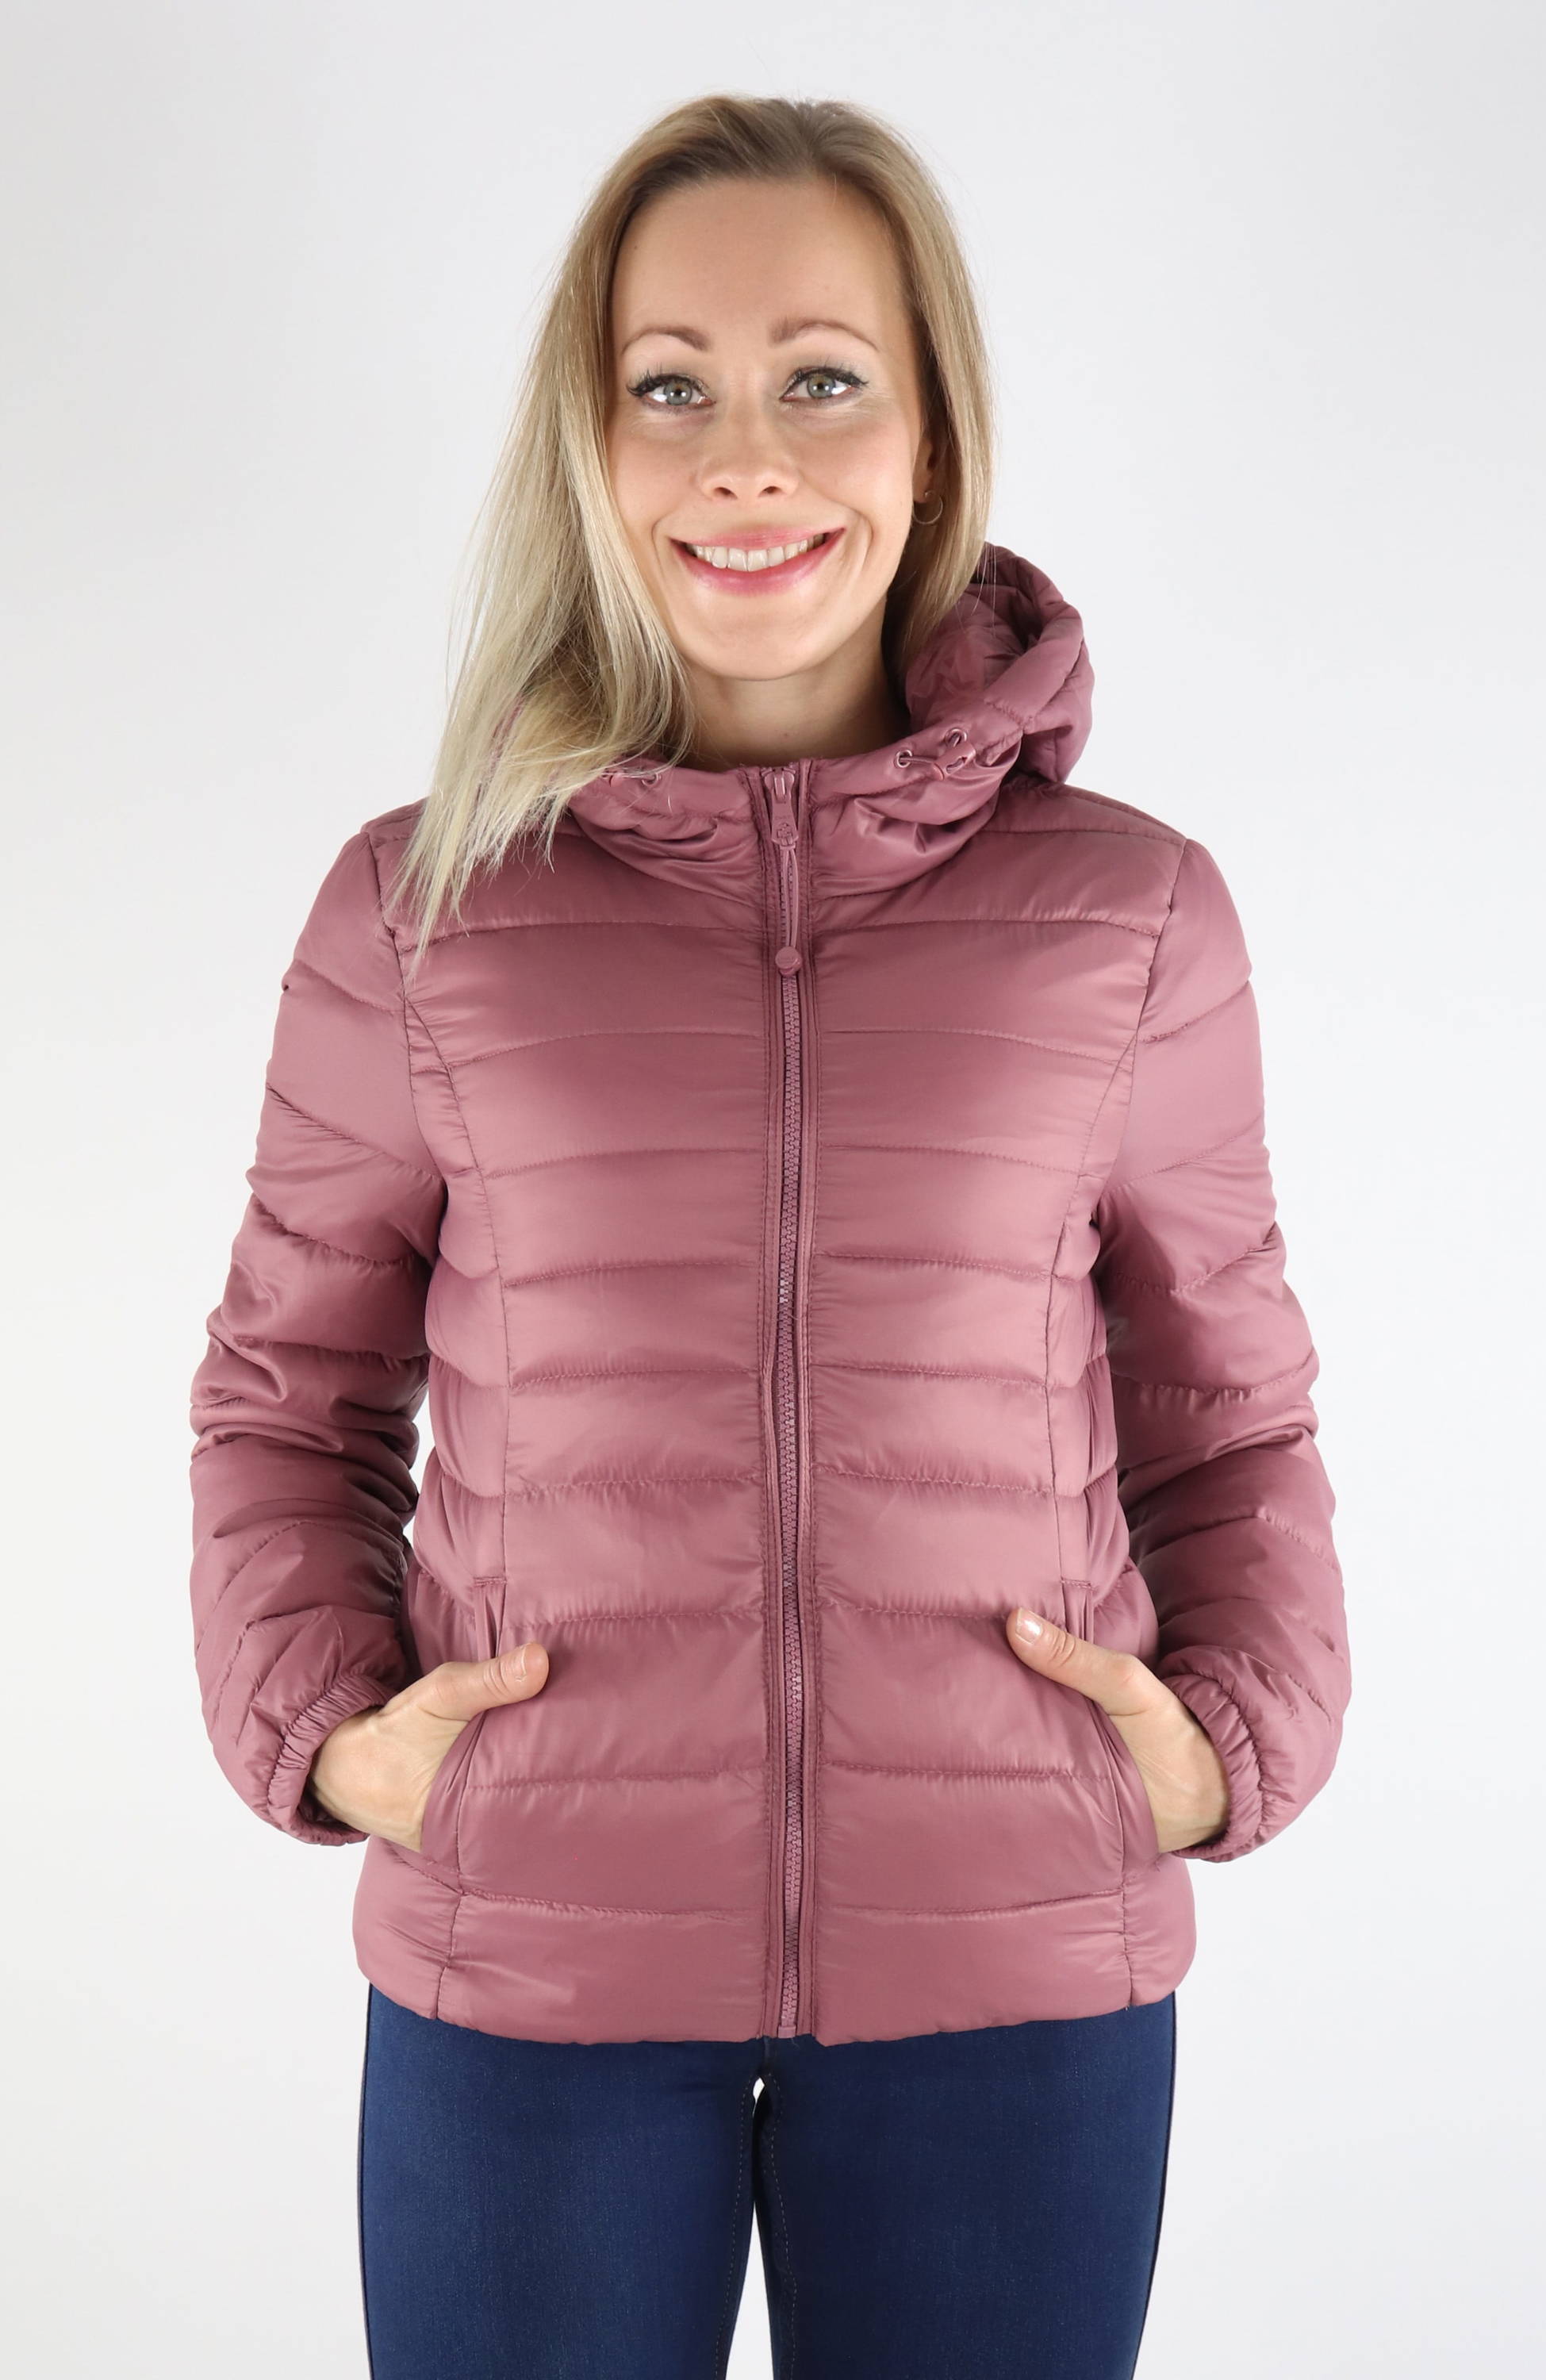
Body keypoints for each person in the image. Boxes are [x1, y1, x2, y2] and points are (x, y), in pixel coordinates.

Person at [188, 92, 1351, 2380]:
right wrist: (333, 1735)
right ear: (590, 443)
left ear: (931, 434)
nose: (746, 460)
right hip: (531, 1960)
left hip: (1012, 1968)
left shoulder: (1129, 917)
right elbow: (284, 1397)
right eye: (671, 386)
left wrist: (1222, 1747)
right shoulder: (425, 907)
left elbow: (1232, 1415)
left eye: (823, 378)